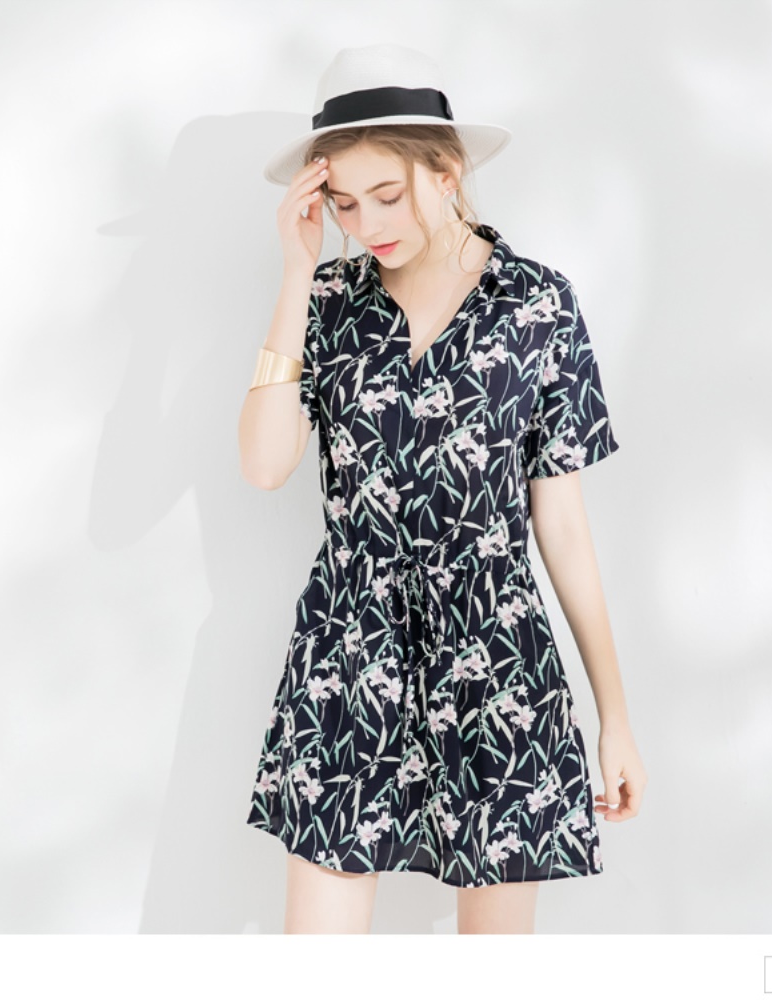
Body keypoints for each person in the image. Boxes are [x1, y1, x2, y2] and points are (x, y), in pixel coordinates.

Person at [237, 44, 647, 935]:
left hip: (497, 658)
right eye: (344, 203)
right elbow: (265, 464)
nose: (365, 224)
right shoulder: (329, 300)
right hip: (349, 655)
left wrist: (613, 716)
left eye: (387, 194)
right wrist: (297, 273)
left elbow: (562, 528)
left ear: (447, 172)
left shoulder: (537, 306)